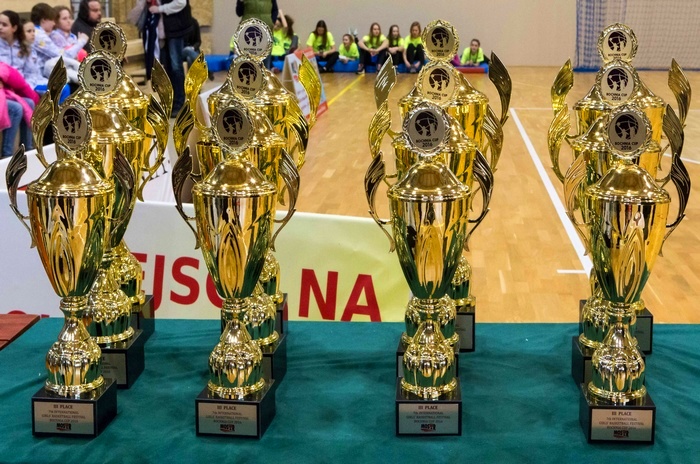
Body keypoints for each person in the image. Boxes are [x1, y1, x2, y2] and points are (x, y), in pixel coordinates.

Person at [149, 0, 194, 117]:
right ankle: (170, 102)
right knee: (168, 68)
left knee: (176, 67)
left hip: (176, 29)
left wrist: (159, 9)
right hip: (165, 30)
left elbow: (180, 2)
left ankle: (179, 103)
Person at [30, 3, 83, 82]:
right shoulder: (40, 36)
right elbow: (61, 55)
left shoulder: (41, 33)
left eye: (70, 18)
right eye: (52, 20)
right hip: (40, 75)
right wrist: (81, 42)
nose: (54, 23)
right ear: (44, 20)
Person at [0, 61, 38, 157]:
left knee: (29, 102)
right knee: (16, 108)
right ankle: (7, 154)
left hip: (4, 91)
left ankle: (27, 149)